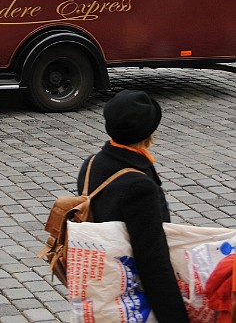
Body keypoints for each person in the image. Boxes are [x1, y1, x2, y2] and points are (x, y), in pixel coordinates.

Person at [78, 90, 189, 323]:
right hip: (129, 293)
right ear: (149, 133)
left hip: (102, 281)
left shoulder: (92, 163)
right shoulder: (139, 186)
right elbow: (152, 261)